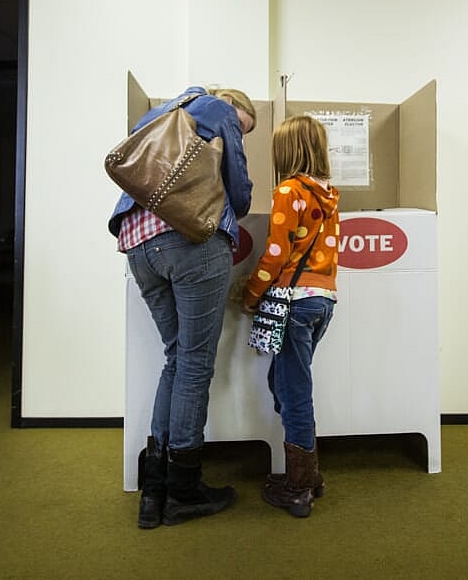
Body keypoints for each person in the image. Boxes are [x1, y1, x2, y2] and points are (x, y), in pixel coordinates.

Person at [109, 85, 257, 529]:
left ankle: (155, 489)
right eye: (243, 128)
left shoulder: (159, 111)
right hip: (191, 241)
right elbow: (241, 194)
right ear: (235, 106)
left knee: (175, 359)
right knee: (195, 364)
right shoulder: (219, 109)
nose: (239, 134)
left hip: (137, 245)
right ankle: (185, 490)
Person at [241, 115, 340, 518]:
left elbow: (276, 254)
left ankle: (299, 487)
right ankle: (308, 472)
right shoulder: (329, 193)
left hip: (295, 303)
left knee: (294, 392)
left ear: (287, 150)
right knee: (284, 383)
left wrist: (250, 294)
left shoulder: (289, 191)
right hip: (323, 301)